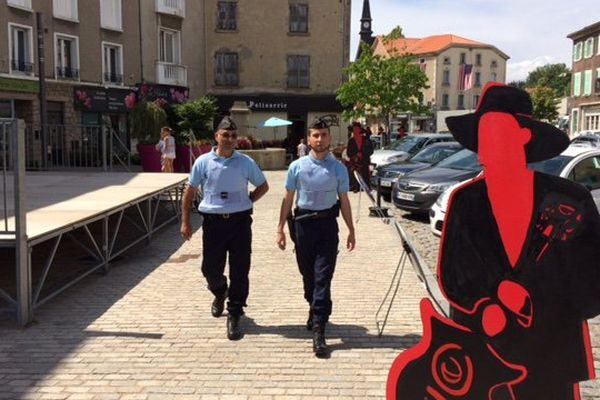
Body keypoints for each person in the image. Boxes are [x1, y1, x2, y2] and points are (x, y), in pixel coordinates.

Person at [388, 83, 600, 399]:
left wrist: (537, 303)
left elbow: (591, 279)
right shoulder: (464, 200)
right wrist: (490, 301)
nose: (482, 146)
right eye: (481, 135)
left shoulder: (570, 198)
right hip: (481, 356)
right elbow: (452, 274)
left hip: (550, 355)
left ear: (523, 136)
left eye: (492, 131)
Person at [180, 116, 269, 341]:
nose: (229, 139)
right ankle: (220, 293)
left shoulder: (245, 162)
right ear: (216, 136)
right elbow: (190, 191)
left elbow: (263, 185)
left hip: (239, 223)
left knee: (240, 270)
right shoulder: (203, 162)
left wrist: (248, 200)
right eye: (225, 135)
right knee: (210, 269)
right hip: (213, 224)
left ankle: (235, 313)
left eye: (233, 135)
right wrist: (185, 221)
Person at [276, 117, 356, 358]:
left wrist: (351, 229)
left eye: (323, 135)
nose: (319, 140)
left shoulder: (339, 168)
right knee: (308, 278)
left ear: (330, 138)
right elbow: (288, 198)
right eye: (315, 135)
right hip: (303, 227)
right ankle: (314, 307)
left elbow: (344, 201)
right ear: (308, 138)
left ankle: (319, 329)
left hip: (327, 228)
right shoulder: (297, 167)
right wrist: (280, 227)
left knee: (323, 278)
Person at [346, 122, 374, 190]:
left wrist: (363, 154)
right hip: (354, 163)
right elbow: (348, 153)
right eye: (354, 129)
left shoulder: (366, 140)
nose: (355, 130)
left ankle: (366, 189)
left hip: (364, 162)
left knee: (365, 176)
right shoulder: (351, 141)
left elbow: (371, 150)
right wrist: (355, 155)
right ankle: (355, 188)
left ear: (360, 130)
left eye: (357, 129)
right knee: (354, 176)